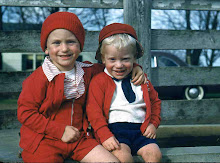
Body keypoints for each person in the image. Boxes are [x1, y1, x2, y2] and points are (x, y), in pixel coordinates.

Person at [17, 12, 145, 162]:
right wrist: (60, 131)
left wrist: (136, 67)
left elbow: (114, 65)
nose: (64, 48)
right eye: (56, 43)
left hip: (80, 139)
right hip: (45, 140)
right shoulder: (39, 78)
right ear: (46, 48)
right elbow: (25, 113)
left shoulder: (87, 71)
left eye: (71, 42)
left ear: (80, 46)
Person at [86, 23, 162, 162]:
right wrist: (104, 135)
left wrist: (153, 123)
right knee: (123, 157)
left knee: (155, 154)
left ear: (134, 58)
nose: (119, 65)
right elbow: (94, 111)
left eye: (125, 59)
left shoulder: (141, 80)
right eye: (112, 59)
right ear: (103, 59)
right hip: (114, 132)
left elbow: (155, 102)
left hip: (141, 131)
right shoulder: (99, 81)